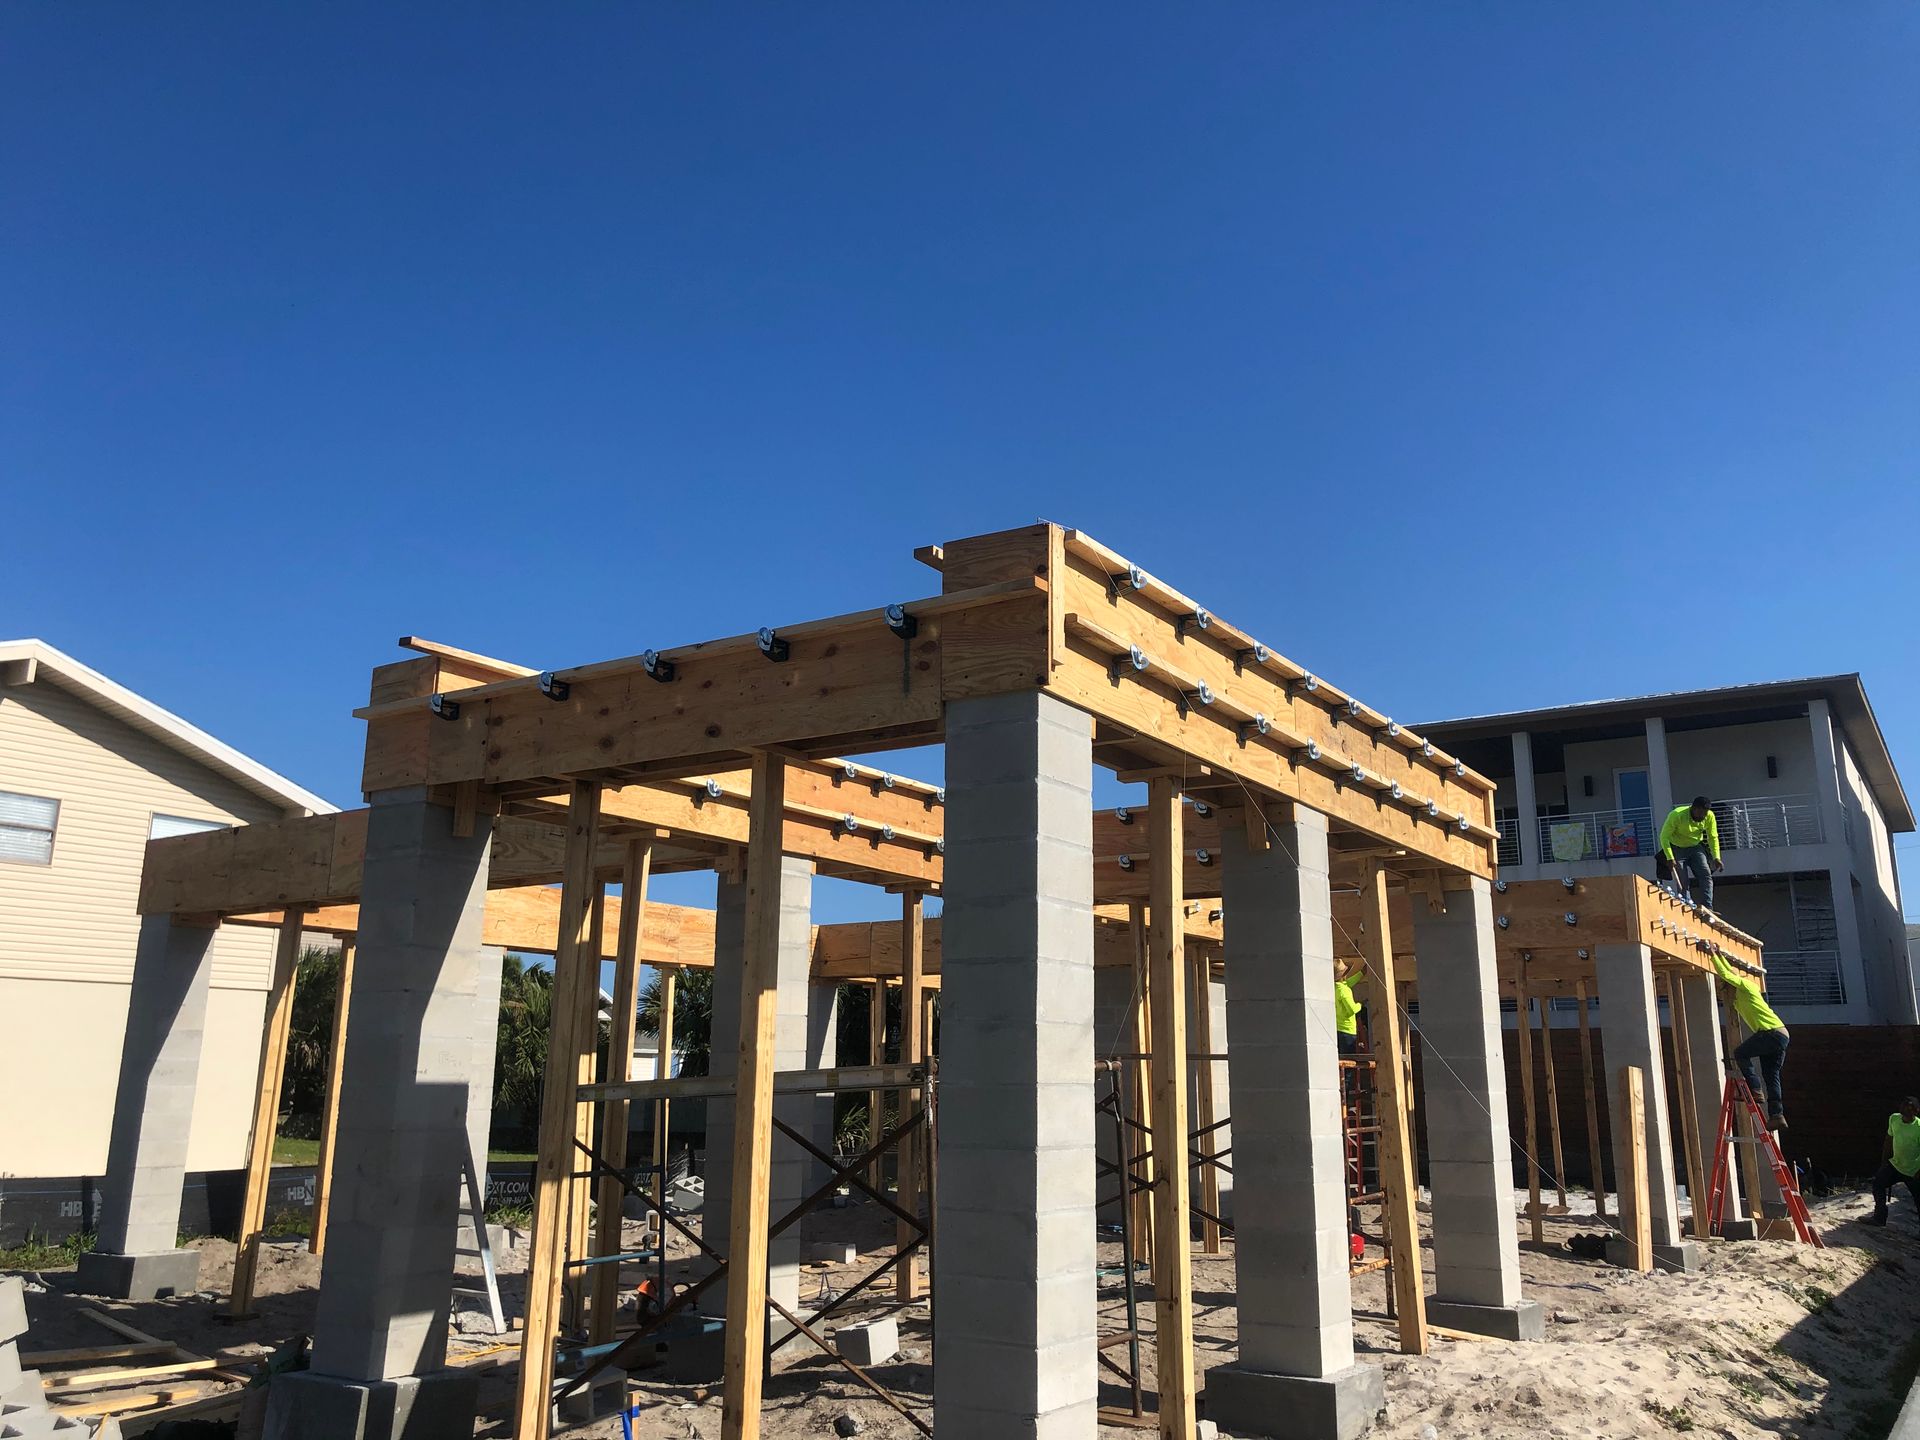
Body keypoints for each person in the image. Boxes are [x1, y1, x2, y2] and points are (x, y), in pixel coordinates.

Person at [1713, 948, 1790, 1129]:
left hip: (1771, 1032)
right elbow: (1728, 973)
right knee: (1771, 1075)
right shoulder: (1741, 995)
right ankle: (1777, 1115)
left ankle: (1755, 1089)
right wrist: (1720, 955)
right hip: (1780, 1034)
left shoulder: (1746, 986)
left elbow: (1727, 974)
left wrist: (1713, 954)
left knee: (1740, 1053)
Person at [1659, 796, 1724, 912]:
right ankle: (1687, 905)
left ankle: (1707, 906)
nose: (1702, 816)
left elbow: (1712, 837)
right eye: (1700, 813)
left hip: (1695, 847)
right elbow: (1664, 837)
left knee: (1705, 874)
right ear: (1693, 808)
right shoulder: (1677, 815)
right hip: (1677, 848)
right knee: (1683, 880)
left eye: (1705, 813)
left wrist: (1716, 857)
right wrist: (1670, 857)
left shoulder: (1709, 816)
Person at [1868, 1098, 1920, 1227]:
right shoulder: (1894, 1119)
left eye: (1910, 1109)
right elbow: (1889, 1139)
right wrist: (1884, 1161)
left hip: (1913, 1170)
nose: (1907, 1112)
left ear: (1916, 1111)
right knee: (1878, 1184)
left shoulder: (1919, 1127)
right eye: (1905, 1108)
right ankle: (1879, 1217)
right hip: (1895, 1164)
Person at [1334, 964, 1363, 1056]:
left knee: (1340, 1059)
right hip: (1348, 1031)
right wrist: (1360, 1005)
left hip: (1338, 1029)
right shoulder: (1344, 990)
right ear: (1344, 975)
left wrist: (1362, 972)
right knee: (1348, 1060)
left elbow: (1349, 982)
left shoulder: (1335, 988)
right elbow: (1351, 1010)